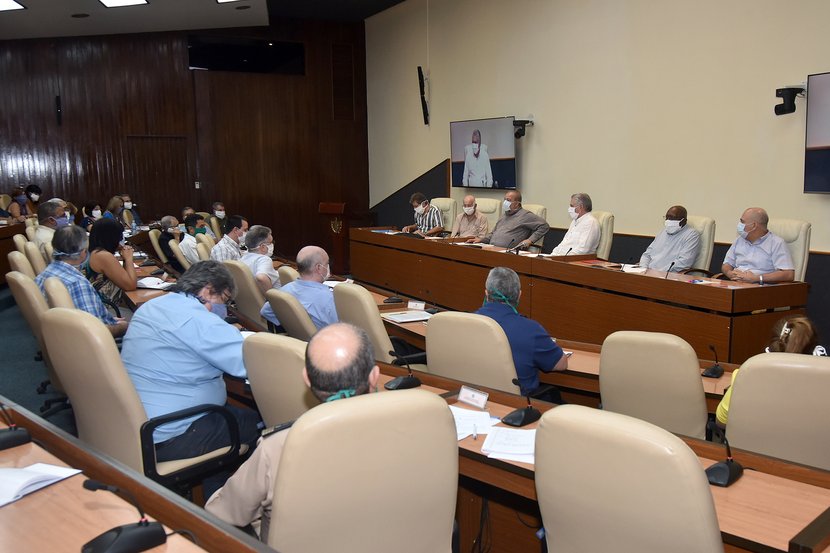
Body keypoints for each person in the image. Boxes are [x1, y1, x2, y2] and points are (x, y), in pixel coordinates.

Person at [205, 322, 380, 541]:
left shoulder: (279, 446)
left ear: (306, 379)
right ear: (375, 376)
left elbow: (222, 515)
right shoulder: (425, 433)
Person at [120, 260, 262, 494]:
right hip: (172, 434)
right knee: (266, 427)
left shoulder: (152, 307)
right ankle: (231, 505)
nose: (224, 310)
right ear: (207, 290)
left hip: (136, 424)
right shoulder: (198, 320)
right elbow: (251, 365)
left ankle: (213, 494)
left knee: (232, 413)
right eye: (224, 301)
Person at [475, 267, 568, 401]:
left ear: (486, 293)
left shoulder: (468, 321)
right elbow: (561, 364)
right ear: (519, 295)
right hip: (517, 406)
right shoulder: (531, 330)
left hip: (475, 399)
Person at [716, 316, 826, 428]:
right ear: (816, 350)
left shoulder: (745, 376)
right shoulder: (824, 384)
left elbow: (721, 421)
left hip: (748, 445)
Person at [35, 225, 128, 337]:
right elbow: (95, 331)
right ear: (83, 252)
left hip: (60, 337)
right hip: (94, 344)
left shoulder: (43, 275)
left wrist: (108, 318)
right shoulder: (78, 283)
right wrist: (123, 327)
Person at [260, 245, 338, 329]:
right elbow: (340, 330)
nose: (328, 266)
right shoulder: (328, 298)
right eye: (327, 263)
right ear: (319, 268)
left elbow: (265, 312)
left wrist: (290, 325)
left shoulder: (285, 289)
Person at [721, 207, 794, 283]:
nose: (740, 225)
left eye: (742, 222)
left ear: (753, 226)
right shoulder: (739, 240)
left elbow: (788, 274)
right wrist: (730, 273)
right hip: (735, 284)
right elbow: (726, 264)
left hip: (760, 289)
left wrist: (756, 278)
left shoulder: (777, 243)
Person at [86, 218, 137, 306]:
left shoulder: (94, 251)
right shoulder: (103, 256)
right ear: (111, 237)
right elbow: (130, 286)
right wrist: (129, 259)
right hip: (107, 309)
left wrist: (124, 259)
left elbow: (125, 278)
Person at [472, 190, 549, 249]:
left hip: (509, 253)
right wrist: (481, 240)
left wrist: (530, 240)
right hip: (492, 249)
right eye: (505, 199)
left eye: (508, 200)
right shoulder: (504, 215)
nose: (505, 202)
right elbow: (493, 234)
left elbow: (544, 226)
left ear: (517, 204)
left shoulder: (525, 215)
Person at [639, 205, 701, 272]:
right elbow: (647, 254)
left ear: (683, 221)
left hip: (669, 276)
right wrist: (643, 269)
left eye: (672, 218)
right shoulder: (663, 231)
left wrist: (658, 272)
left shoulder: (691, 235)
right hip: (648, 273)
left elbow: (684, 262)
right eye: (667, 217)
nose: (668, 221)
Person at [241, 225, 282, 293]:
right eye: (271, 243)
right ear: (262, 247)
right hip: (275, 301)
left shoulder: (243, 257)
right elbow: (261, 277)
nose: (272, 245)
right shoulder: (264, 259)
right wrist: (271, 297)